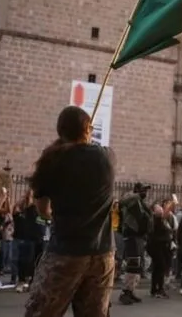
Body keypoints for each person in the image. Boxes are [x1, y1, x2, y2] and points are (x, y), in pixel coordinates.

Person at [24, 105, 116, 317]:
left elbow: (43, 210)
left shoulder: (51, 161)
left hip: (66, 251)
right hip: (102, 253)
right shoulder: (107, 157)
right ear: (88, 129)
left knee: (42, 311)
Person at [117, 183, 152, 304]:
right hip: (131, 235)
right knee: (132, 264)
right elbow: (122, 201)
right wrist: (137, 195)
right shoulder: (130, 200)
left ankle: (131, 290)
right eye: (143, 191)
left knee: (137, 265)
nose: (145, 194)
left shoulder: (140, 203)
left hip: (138, 236)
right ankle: (125, 292)